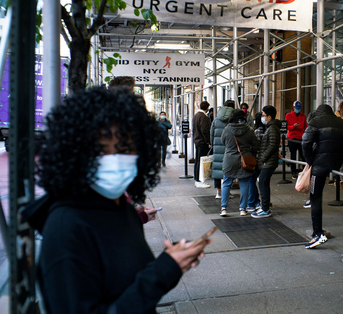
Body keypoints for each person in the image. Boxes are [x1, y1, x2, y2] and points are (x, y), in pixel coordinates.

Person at [27, 87, 209, 313]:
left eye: (125, 148)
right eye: (101, 150)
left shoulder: (121, 208)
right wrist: (162, 273)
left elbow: (128, 280)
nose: (114, 159)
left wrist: (170, 262)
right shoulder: (66, 228)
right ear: (75, 152)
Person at [301, 104, 343, 249]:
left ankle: (317, 234)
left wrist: (310, 160)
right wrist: (338, 160)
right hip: (335, 164)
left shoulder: (315, 122)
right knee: (315, 196)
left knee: (315, 197)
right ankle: (318, 232)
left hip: (319, 165)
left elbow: (306, 142)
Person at [219, 109, 258, 216]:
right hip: (244, 160)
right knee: (244, 184)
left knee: (227, 183)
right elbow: (255, 145)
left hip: (229, 160)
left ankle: (223, 208)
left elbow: (223, 142)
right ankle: (242, 209)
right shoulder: (249, 130)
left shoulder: (227, 129)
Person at [252, 106, 281, 218]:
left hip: (268, 161)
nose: (262, 117)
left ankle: (265, 209)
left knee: (263, 183)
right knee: (263, 183)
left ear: (269, 117)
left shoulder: (272, 128)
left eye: (264, 115)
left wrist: (262, 157)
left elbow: (273, 145)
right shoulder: (270, 127)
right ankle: (264, 207)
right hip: (267, 161)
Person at [210, 100, 236, 199]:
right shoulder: (233, 120)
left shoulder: (216, 120)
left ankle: (218, 192)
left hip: (217, 147)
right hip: (230, 148)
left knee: (217, 169)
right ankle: (227, 191)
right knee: (229, 169)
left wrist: (214, 146)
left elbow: (211, 135)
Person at [247, 112, 265, 212]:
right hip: (263, 159)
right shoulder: (266, 129)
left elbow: (257, 146)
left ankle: (252, 203)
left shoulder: (257, 131)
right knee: (255, 180)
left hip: (257, 158)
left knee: (251, 180)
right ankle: (256, 202)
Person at [286, 100, 307, 180]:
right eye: (297, 108)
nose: (298, 110)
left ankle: (305, 171)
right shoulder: (288, 115)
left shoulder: (303, 116)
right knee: (293, 156)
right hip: (292, 138)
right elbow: (287, 126)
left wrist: (305, 135)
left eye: (299, 108)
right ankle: (293, 172)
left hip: (301, 138)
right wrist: (293, 126)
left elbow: (305, 126)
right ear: (293, 107)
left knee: (303, 155)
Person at [193, 100, 212, 188]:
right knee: (201, 161)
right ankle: (199, 180)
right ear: (207, 108)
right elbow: (204, 130)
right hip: (202, 142)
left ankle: (197, 179)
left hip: (197, 141)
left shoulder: (196, 115)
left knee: (197, 161)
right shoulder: (203, 117)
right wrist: (208, 141)